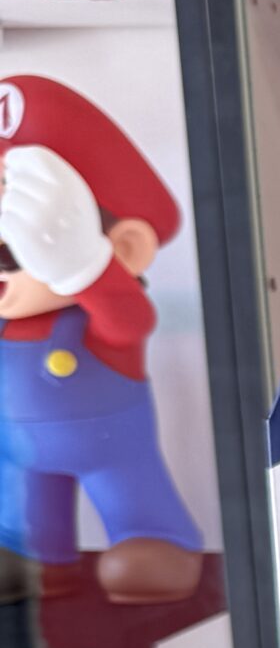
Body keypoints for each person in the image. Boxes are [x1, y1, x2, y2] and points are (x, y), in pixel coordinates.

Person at [0, 75, 202, 603]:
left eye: (10, 253)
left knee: (131, 498)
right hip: (17, 454)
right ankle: (33, 555)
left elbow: (130, 322)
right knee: (22, 517)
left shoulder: (100, 315)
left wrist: (82, 268)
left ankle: (153, 537)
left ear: (124, 247)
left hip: (112, 449)